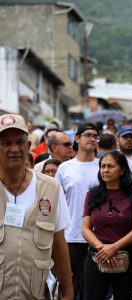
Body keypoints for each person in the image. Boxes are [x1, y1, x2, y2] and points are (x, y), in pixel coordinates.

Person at [0, 114, 73, 299]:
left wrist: (67, 292)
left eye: (20, 142)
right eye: (6, 143)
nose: (14, 149)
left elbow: (59, 244)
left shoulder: (51, 188)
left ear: (28, 146)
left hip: (35, 293)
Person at [82, 150, 132, 300]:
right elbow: (85, 228)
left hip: (125, 257)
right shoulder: (92, 194)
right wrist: (102, 249)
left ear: (122, 170)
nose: (105, 170)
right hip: (97, 257)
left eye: (110, 166)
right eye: (102, 166)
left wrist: (114, 248)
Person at [55, 122, 100, 299]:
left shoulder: (103, 166)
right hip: (71, 236)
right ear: (77, 138)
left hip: (98, 237)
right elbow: (57, 202)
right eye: (88, 135)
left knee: (93, 289)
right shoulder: (65, 168)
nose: (92, 139)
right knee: (70, 287)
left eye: (95, 136)